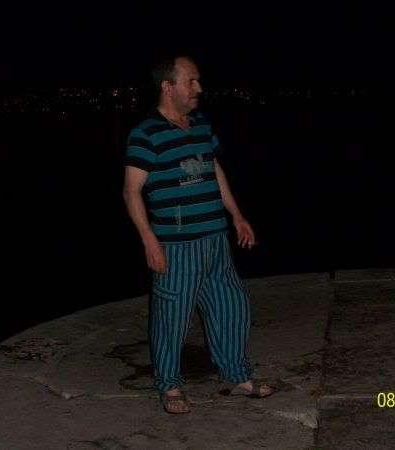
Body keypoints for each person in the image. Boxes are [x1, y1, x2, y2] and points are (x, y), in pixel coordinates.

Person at [122, 55, 275, 414]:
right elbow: (131, 191)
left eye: (198, 80)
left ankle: (237, 375)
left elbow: (213, 169)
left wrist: (237, 216)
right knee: (171, 317)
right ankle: (170, 385)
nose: (199, 88)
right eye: (191, 81)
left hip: (215, 239)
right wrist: (149, 240)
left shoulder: (201, 124)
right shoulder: (146, 134)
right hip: (176, 245)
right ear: (168, 86)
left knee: (231, 305)